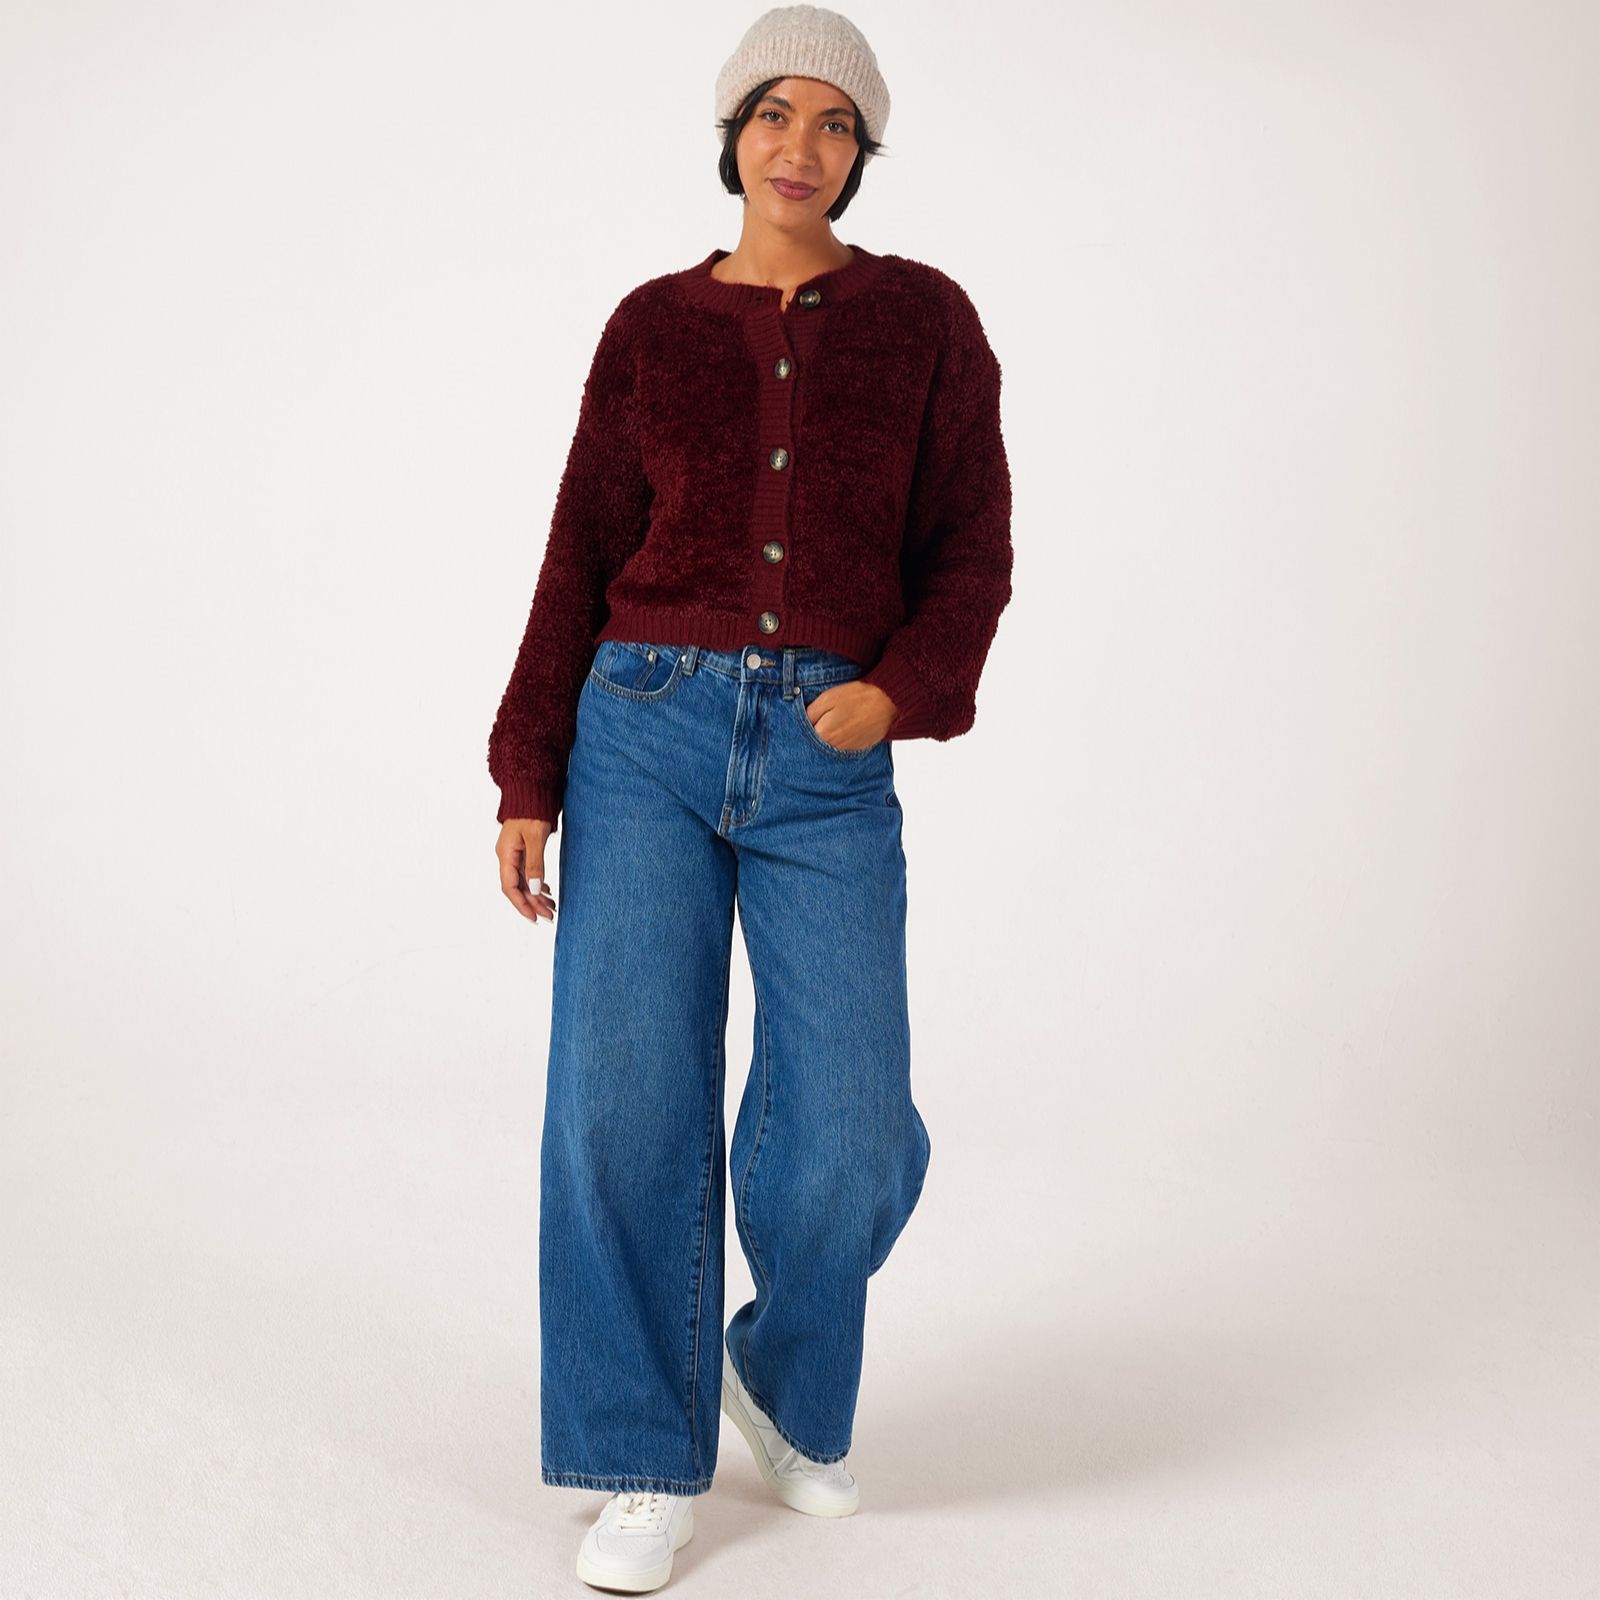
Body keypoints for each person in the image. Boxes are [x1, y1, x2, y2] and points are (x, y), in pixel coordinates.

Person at [486, 5, 1013, 1590]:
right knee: (619, 1098)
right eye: (776, 113)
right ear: (734, 136)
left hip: (828, 757)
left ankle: (776, 1374)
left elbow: (972, 547)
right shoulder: (651, 325)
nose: (803, 144)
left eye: (837, 123)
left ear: (863, 153)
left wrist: (901, 689)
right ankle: (639, 1458)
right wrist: (527, 768)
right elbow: (581, 549)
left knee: (850, 1130)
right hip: (640, 728)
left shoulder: (926, 321)